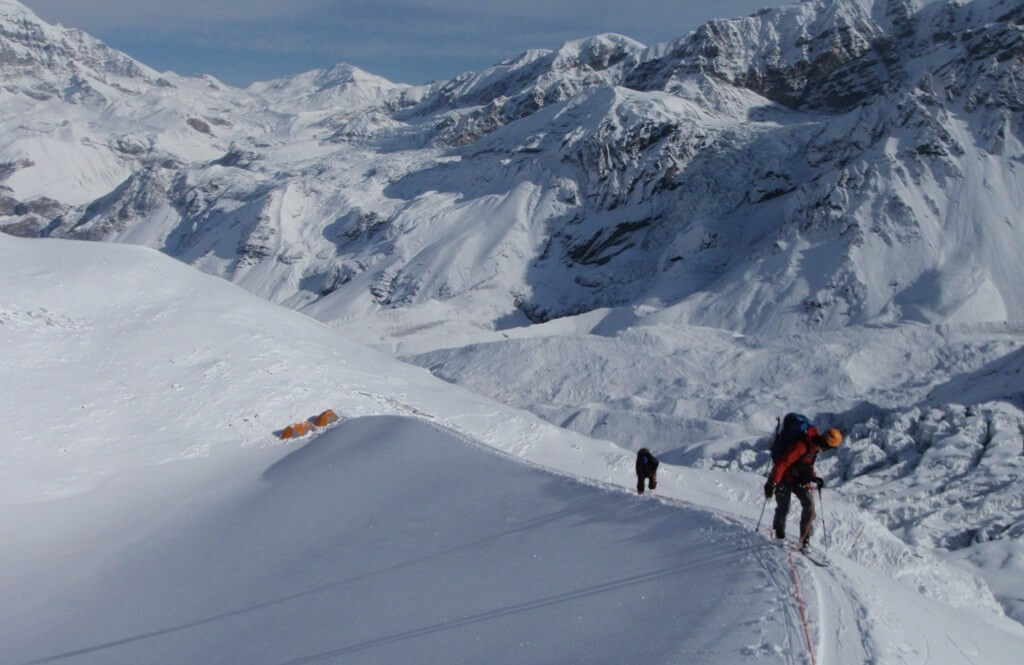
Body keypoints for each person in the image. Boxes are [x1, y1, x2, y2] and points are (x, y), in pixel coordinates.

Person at [763, 427, 842, 546]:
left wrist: (813, 478)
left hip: (797, 479)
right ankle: (779, 537)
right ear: (826, 444)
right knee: (783, 508)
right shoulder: (802, 446)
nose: (826, 450)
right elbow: (783, 462)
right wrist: (772, 482)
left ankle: (805, 541)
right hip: (783, 478)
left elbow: (806, 465)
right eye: (828, 447)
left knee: (809, 505)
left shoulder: (813, 448)